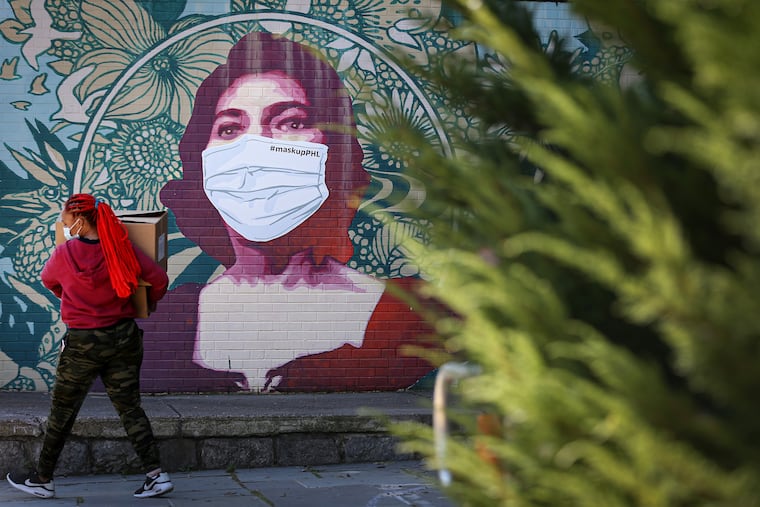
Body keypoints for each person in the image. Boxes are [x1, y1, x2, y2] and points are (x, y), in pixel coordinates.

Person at [141, 31, 434, 393]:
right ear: (201, 164)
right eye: (230, 128)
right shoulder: (161, 324)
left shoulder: (414, 318)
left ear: (334, 153)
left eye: (291, 123)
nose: (255, 147)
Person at [6, 193, 173, 499]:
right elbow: (159, 280)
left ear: (80, 221)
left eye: (66, 218)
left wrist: (73, 296)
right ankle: (157, 476)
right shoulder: (122, 251)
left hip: (82, 343)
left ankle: (43, 479)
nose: (63, 223)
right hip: (123, 338)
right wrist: (144, 302)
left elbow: (48, 281)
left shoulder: (64, 254)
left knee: (63, 411)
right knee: (130, 408)